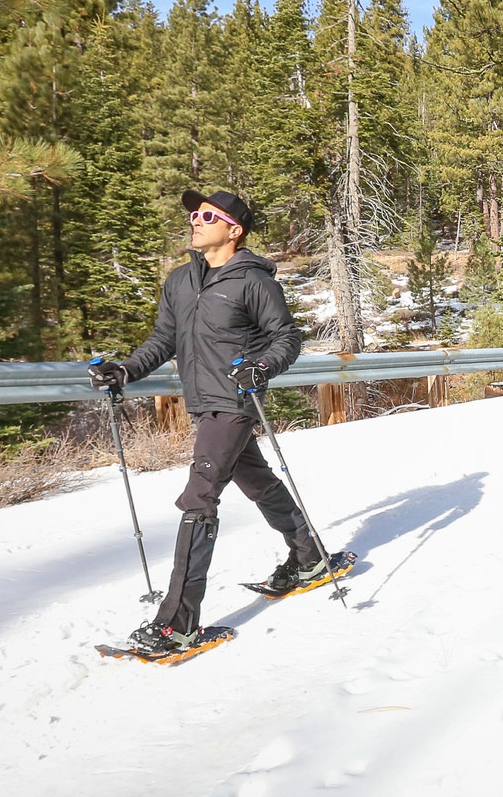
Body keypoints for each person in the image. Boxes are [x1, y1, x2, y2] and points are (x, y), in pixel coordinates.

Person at [89, 189, 331, 653]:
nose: (194, 221)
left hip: (235, 401)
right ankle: (309, 557)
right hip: (203, 402)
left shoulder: (253, 281)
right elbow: (164, 339)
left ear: (233, 229)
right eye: (193, 215)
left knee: (199, 497)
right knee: (257, 481)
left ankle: (177, 623)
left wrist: (260, 368)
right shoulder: (181, 280)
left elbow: (287, 339)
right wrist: (126, 370)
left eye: (206, 215)